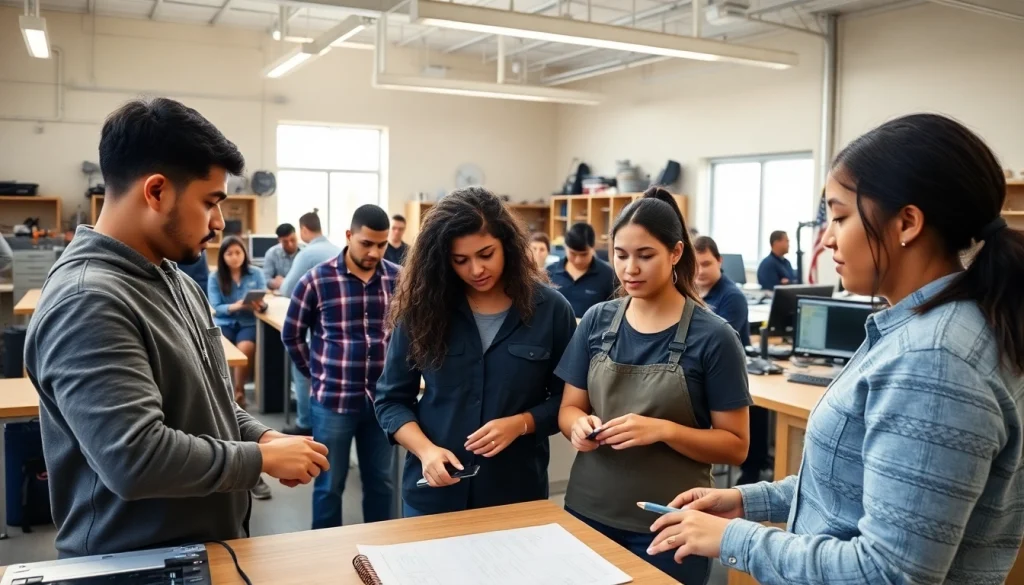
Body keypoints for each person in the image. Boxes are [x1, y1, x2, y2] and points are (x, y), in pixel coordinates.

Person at [648, 114, 1024, 585]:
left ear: (907, 222)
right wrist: (749, 500)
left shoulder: (932, 360)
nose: (826, 238)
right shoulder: (935, 328)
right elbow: (861, 486)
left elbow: (887, 573)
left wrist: (732, 539)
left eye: (840, 216)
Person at [23, 98, 329, 558]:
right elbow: (135, 458)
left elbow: (210, 405)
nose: (220, 223)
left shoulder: (174, 281)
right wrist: (261, 460)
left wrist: (262, 436)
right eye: (210, 202)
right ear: (157, 191)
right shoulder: (88, 299)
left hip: (200, 552)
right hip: (132, 565)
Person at [555, 187, 751, 585]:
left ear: (676, 253)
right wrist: (577, 426)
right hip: (586, 512)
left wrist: (662, 430)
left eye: (645, 256)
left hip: (671, 526)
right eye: (621, 255)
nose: (630, 269)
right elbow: (569, 408)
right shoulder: (596, 321)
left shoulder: (714, 337)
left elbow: (736, 445)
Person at [375, 186, 576, 518]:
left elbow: (569, 402)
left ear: (507, 246)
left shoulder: (551, 310)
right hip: (435, 495)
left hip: (515, 494)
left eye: (486, 254)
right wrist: (426, 452)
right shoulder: (424, 308)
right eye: (461, 260)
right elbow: (390, 400)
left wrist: (522, 423)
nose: (476, 270)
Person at [282, 205, 398, 528]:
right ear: (349, 236)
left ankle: (381, 553)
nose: (374, 252)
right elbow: (291, 334)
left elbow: (410, 334)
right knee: (329, 486)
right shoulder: (317, 280)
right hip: (332, 401)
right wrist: (315, 375)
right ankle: (325, 559)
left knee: (382, 484)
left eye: (382, 244)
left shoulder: (397, 279)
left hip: (382, 403)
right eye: (366, 243)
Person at [278, 209, 340, 436]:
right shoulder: (337, 249)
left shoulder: (307, 253)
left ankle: (304, 423)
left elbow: (287, 289)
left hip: (317, 327)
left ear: (304, 229)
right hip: (337, 329)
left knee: (301, 367)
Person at [208, 236, 267, 408]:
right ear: (223, 257)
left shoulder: (256, 273)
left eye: (238, 252)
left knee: (246, 348)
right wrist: (236, 306)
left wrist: (260, 306)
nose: (234, 257)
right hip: (224, 321)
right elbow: (216, 307)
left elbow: (264, 299)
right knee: (222, 351)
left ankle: (239, 391)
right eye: (229, 254)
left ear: (244, 254)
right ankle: (222, 393)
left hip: (247, 322)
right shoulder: (215, 277)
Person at [547, 222, 616, 317]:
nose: (578, 260)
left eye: (584, 254)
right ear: (565, 248)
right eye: (573, 254)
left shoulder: (608, 275)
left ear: (593, 248)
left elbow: (613, 312)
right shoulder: (550, 272)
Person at [693, 236, 750, 346]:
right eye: (695, 265)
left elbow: (720, 343)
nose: (700, 271)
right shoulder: (688, 292)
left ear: (719, 261)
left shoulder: (733, 297)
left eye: (706, 264)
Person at [263, 223, 300, 291]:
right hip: (280, 294)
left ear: (296, 236)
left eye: (293, 240)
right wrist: (274, 283)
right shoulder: (271, 253)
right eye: (285, 242)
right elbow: (265, 279)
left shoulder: (305, 252)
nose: (290, 244)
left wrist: (286, 282)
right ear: (279, 240)